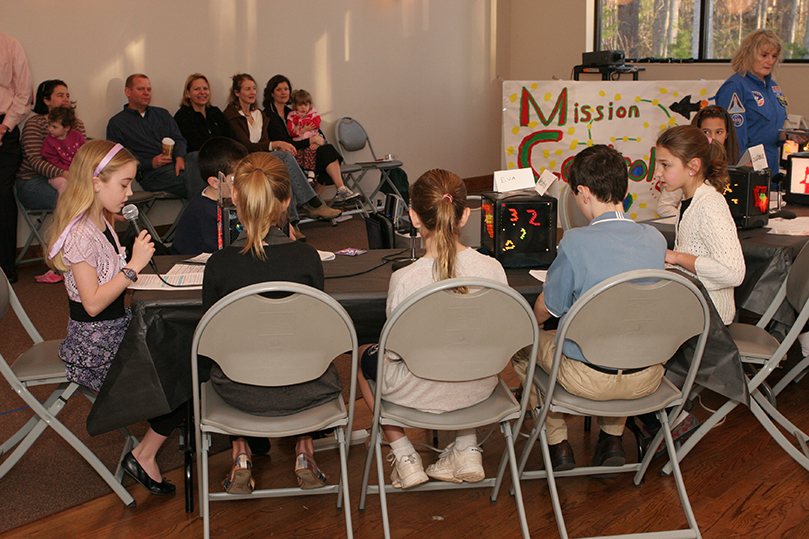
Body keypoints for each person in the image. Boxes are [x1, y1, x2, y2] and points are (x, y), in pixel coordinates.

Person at [511, 145, 668, 471]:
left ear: (582, 192)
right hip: (647, 377)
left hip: (588, 378)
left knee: (521, 347)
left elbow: (549, 306)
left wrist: (534, 325)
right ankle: (611, 437)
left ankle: (558, 444)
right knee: (628, 333)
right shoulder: (655, 239)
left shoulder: (576, 242)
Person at [356, 169, 507, 489]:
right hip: (479, 388)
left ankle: (404, 454)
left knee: (361, 355)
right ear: (465, 215)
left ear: (413, 216)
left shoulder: (406, 279)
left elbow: (394, 354)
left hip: (418, 390)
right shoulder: (493, 269)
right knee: (465, 350)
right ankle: (466, 447)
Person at [45, 140, 181, 495]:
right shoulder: (79, 235)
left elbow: (111, 283)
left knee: (182, 353)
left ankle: (148, 450)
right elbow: (91, 304)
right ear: (94, 183)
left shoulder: (102, 222)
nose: (130, 192)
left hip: (114, 329)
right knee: (181, 378)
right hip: (95, 346)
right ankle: (144, 455)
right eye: (123, 184)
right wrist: (133, 268)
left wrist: (133, 274)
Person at [202, 152, 343, 493]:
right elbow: (313, 334)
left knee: (230, 352)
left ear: (234, 196)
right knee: (303, 346)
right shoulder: (306, 257)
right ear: (287, 201)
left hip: (239, 394)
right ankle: (305, 450)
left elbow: (210, 342)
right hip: (307, 389)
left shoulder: (219, 264)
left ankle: (240, 453)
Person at [222, 73, 340, 238]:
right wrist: (273, 145)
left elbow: (263, 140)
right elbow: (245, 146)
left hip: (262, 156)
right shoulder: (231, 115)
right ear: (236, 92)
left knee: (283, 164)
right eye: (247, 89)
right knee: (283, 157)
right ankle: (311, 204)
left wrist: (272, 146)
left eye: (254, 88)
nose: (252, 92)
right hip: (244, 159)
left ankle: (292, 224)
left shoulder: (258, 115)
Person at [654, 125, 745, 325]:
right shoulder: (689, 201)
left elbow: (733, 273)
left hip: (710, 321)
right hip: (693, 308)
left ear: (693, 166)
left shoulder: (709, 205)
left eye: (665, 165)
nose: (657, 173)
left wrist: (677, 257)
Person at [716, 29, 805, 179]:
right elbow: (734, 140)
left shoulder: (773, 87)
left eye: (774, 56)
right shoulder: (735, 87)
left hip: (771, 166)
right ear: (749, 54)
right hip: (748, 169)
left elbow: (768, 130)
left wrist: (790, 135)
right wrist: (747, 173)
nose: (770, 61)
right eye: (764, 55)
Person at [263, 74, 361, 204]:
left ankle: (331, 192)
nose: (283, 93)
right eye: (279, 89)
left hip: (306, 151)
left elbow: (314, 130)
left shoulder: (293, 111)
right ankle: (314, 201)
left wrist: (318, 140)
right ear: (272, 93)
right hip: (290, 157)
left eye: (286, 89)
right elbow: (285, 144)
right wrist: (310, 141)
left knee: (327, 152)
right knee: (328, 158)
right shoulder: (268, 115)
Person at [106, 73, 203, 198]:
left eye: (149, 89)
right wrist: (150, 163)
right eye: (140, 89)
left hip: (176, 166)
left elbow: (179, 139)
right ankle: (210, 214)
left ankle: (203, 213)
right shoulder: (117, 123)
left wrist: (179, 157)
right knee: (201, 181)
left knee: (197, 159)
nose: (146, 93)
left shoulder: (162, 114)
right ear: (128, 92)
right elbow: (119, 160)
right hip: (150, 174)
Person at [657, 105, 740, 217]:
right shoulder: (684, 171)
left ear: (727, 135)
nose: (713, 137)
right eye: (706, 132)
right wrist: (690, 218)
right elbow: (664, 207)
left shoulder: (710, 201)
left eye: (719, 132)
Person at [171, 137, 248, 256]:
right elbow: (226, 254)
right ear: (215, 182)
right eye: (238, 178)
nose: (245, 182)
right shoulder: (203, 212)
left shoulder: (227, 201)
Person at [0, 32, 32, 284]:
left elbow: (24, 94)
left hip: (4, 127)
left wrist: (5, 125)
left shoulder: (10, 44)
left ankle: (5, 267)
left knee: (1, 194)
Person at [173, 73, 236, 153]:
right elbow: (194, 145)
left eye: (205, 88)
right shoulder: (183, 116)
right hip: (201, 159)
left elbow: (231, 137)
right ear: (188, 94)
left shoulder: (215, 112)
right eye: (197, 89)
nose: (202, 92)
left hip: (224, 155)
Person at [40, 106, 86, 177]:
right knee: (64, 185)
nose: (49, 129)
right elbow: (53, 162)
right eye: (49, 124)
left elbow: (85, 152)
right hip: (60, 174)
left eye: (54, 127)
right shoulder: (48, 142)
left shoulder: (77, 136)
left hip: (78, 169)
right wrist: (70, 170)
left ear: (66, 128)